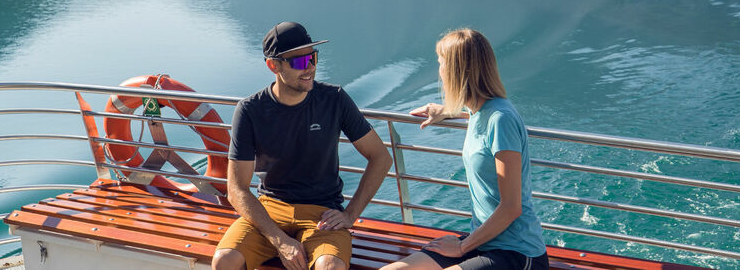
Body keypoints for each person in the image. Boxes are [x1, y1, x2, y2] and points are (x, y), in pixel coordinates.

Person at [213, 22, 393, 270]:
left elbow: (380, 157)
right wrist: (279, 240)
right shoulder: (250, 110)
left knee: (330, 267)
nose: (309, 67)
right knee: (224, 261)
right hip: (270, 209)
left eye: (313, 57)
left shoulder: (334, 99)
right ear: (273, 65)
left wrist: (350, 214)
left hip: (323, 213)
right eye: (298, 62)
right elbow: (236, 189)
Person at [382, 29, 548, 270]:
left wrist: (462, 247)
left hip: (516, 253)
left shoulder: (501, 120)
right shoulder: (478, 110)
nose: (438, 71)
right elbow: (477, 115)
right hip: (483, 241)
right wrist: (448, 111)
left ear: (456, 71)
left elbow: (512, 207)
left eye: (440, 63)